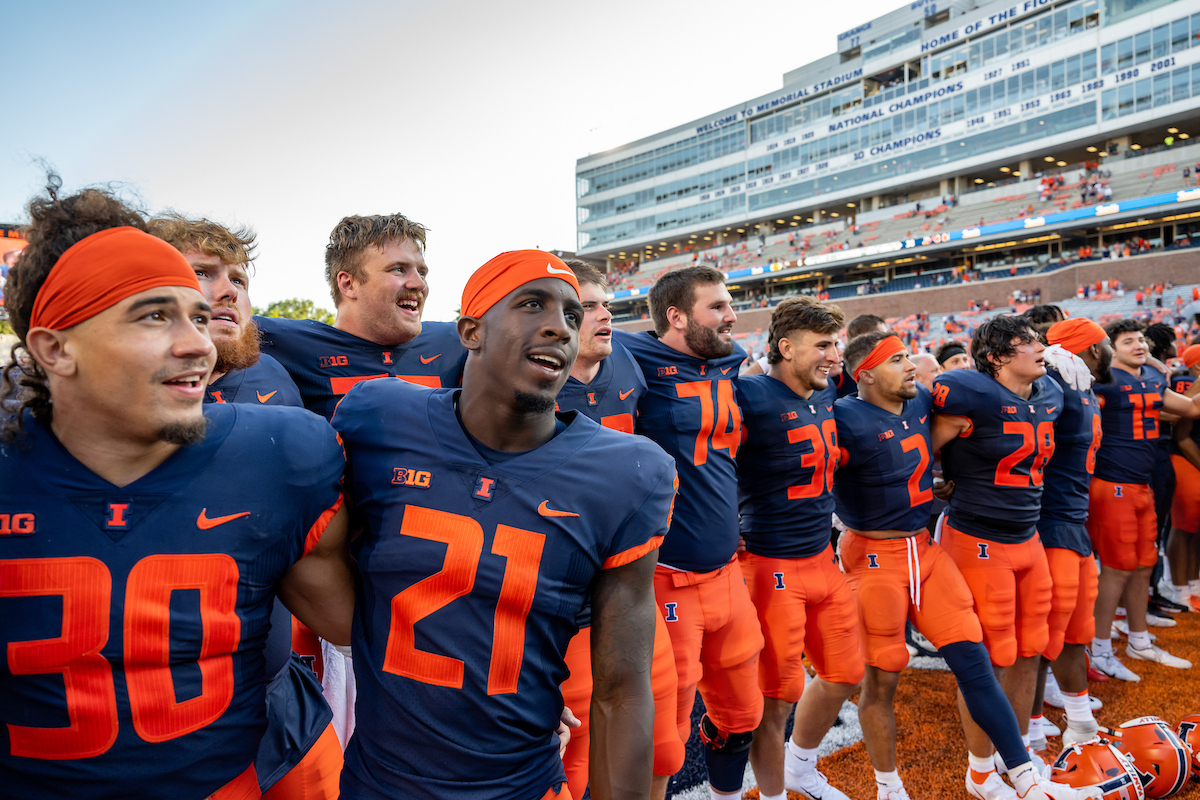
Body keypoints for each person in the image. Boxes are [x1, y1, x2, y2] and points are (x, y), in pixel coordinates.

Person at [0, 183, 353, 799]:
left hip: (259, 766)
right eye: (154, 316)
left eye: (195, 314)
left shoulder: (278, 456)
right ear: (55, 349)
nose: (198, 342)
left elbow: (366, 630)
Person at [333, 250, 673, 800]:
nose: (558, 327)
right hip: (380, 780)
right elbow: (321, 563)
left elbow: (621, 687)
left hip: (520, 783)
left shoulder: (627, 471)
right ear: (471, 331)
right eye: (532, 304)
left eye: (570, 315)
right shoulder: (378, 416)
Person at [838, 332, 1093, 800]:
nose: (914, 366)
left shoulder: (919, 403)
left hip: (924, 551)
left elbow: (956, 426)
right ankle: (885, 786)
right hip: (874, 556)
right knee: (880, 676)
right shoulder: (842, 416)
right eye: (897, 359)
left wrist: (936, 480)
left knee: (976, 663)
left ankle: (1018, 777)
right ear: (866, 374)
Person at [151, 213, 343, 799]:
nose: (229, 288)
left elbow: (340, 609)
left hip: (286, 713)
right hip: (159, 736)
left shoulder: (273, 389)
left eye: (239, 277)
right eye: (203, 272)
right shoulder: (50, 429)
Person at [616, 266, 765, 800]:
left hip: (727, 574)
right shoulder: (633, 360)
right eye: (718, 307)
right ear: (675, 317)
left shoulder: (727, 363)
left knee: (743, 713)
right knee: (665, 735)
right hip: (667, 579)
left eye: (729, 304)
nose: (731, 316)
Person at [553, 260, 685, 799]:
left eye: (605, 304)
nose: (604, 315)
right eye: (587, 307)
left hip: (631, 592)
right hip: (560, 609)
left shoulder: (629, 360)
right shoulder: (518, 377)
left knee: (658, 749)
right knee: (572, 768)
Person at [736, 298, 863, 800]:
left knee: (845, 672)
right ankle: (770, 794)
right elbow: (704, 460)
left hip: (821, 556)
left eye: (836, 344)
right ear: (785, 348)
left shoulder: (825, 390)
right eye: (823, 345)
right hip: (769, 563)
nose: (835, 356)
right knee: (775, 697)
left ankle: (801, 768)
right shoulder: (748, 395)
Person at [932, 316, 1065, 793]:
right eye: (1026, 341)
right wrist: (935, 481)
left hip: (1028, 537)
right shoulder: (971, 396)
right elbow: (914, 452)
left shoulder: (1050, 392)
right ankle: (981, 769)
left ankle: (1019, 751)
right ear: (996, 357)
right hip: (978, 541)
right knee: (989, 659)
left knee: (1031, 648)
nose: (1039, 347)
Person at [257, 213, 464, 420]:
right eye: (399, 269)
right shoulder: (285, 341)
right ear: (348, 284)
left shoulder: (455, 342)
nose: (419, 284)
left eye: (422, 272)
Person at [1088, 320, 1200, 679]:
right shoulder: (1101, 382)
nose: (1137, 345)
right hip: (1111, 484)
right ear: (1111, 348)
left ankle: (1139, 639)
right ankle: (1100, 648)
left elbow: (1190, 408)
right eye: (1127, 341)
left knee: (1143, 564)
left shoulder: (1151, 379)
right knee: (1117, 568)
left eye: (1140, 340)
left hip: (1141, 483)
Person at [1031, 319, 1110, 749]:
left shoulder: (1084, 384)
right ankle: (1030, 722)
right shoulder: (1057, 383)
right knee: (1047, 629)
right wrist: (1043, 369)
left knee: (1077, 628)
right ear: (1093, 349)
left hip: (1073, 520)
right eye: (1107, 342)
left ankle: (1080, 723)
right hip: (1050, 519)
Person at [1164, 344, 1200, 611]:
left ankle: (1193, 584)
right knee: (1186, 521)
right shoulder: (1193, 387)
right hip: (1188, 455)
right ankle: (1180, 589)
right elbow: (1182, 434)